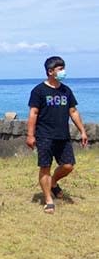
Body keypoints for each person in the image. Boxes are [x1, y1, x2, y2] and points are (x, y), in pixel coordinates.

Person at [26, 56, 88, 214]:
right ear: (50, 71)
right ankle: (48, 200)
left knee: (68, 166)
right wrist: (30, 135)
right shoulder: (39, 91)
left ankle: (53, 183)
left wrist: (82, 131)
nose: (63, 71)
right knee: (45, 167)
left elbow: (73, 112)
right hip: (44, 136)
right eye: (60, 69)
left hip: (63, 136)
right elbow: (33, 113)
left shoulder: (66, 90)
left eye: (63, 68)